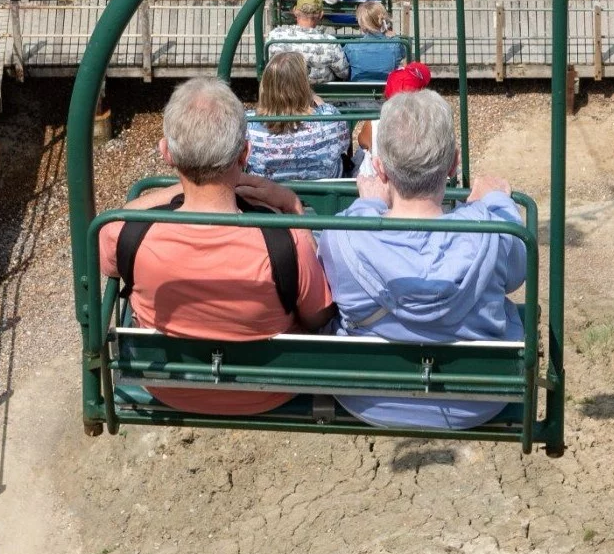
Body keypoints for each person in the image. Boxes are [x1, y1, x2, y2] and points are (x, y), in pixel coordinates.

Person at [98, 78, 332, 415]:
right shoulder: (286, 242)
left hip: (169, 385)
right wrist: (291, 206)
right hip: (270, 390)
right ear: (244, 154)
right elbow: (318, 316)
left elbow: (109, 224)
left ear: (167, 154)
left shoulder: (124, 233)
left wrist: (170, 195)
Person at [316, 89, 527, 430]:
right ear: (454, 164)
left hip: (367, 397)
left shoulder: (342, 236)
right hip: (477, 400)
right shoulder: (494, 231)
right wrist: (496, 204)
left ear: (381, 169)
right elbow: (517, 274)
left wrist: (366, 206)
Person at [247, 54, 351, 181]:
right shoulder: (330, 118)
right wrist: (315, 100)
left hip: (264, 198)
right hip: (325, 196)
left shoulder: (248, 125)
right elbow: (345, 144)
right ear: (304, 84)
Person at [264, 0, 350, 84]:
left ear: (295, 11)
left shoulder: (275, 36)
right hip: (319, 94)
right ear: (321, 14)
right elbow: (344, 73)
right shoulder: (330, 43)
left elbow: (268, 63)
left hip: (282, 91)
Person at [345, 0, 406, 81]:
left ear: (362, 23)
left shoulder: (351, 46)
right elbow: (403, 53)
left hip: (358, 91)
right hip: (386, 90)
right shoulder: (396, 43)